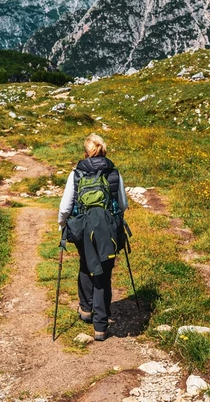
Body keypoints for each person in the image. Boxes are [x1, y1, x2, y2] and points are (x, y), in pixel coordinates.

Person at [58, 133, 128, 341]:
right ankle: (100, 327)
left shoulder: (77, 174)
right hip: (108, 229)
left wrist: (62, 225)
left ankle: (86, 309)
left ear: (86, 152)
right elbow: (123, 205)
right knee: (104, 274)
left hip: (82, 227)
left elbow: (65, 207)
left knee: (85, 263)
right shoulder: (114, 173)